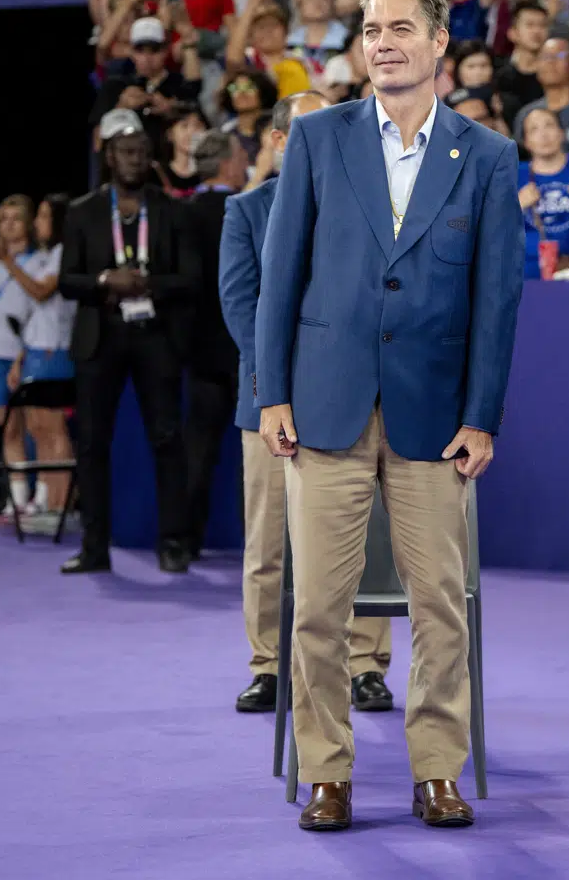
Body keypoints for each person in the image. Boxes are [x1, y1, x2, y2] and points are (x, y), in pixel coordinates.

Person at [254, 0, 524, 832]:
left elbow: (496, 301)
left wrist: (483, 414)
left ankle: (436, 768)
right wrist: (272, 393)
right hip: (325, 408)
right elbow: (279, 278)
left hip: (436, 421)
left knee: (441, 603)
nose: (382, 42)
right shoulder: (317, 138)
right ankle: (327, 769)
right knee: (319, 608)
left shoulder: (485, 155)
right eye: (370, 28)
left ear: (441, 43)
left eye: (401, 27)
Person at [219, 91, 394, 715]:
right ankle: (268, 664)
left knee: (366, 541)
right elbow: (244, 310)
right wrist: (290, 387)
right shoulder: (246, 211)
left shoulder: (368, 206)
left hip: (353, 402)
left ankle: (366, 665)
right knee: (269, 545)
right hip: (270, 405)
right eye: (306, 132)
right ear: (276, 142)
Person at [59, 108, 198, 575]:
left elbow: (191, 278)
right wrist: (105, 279)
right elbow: (67, 280)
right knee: (94, 444)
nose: (135, 159)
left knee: (167, 438)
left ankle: (174, 542)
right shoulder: (81, 213)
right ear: (109, 157)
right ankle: (94, 547)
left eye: (141, 151)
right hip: (99, 338)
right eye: (125, 152)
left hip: (155, 335)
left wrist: (147, 284)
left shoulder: (171, 210)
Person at [181, 130, 247, 556]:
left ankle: (185, 542)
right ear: (226, 164)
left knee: (198, 450)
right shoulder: (247, 209)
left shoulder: (181, 214)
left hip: (199, 349)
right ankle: (269, 548)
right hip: (245, 349)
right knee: (262, 456)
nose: (245, 163)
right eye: (242, 156)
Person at [6, 194, 78, 517]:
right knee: (37, 428)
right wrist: (21, 357)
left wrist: (8, 264)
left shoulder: (66, 253)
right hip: (36, 349)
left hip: (55, 349)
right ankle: (49, 502)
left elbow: (41, 291)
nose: (37, 223)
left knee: (53, 429)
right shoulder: (49, 255)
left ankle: (61, 505)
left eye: (45, 216)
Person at [0, 194, 41, 516]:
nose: (8, 225)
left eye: (15, 218)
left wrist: (9, 263)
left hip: (30, 351)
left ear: (29, 223)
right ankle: (17, 501)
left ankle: (42, 498)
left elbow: (38, 303)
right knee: (9, 429)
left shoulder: (40, 259)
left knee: (37, 427)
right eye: (3, 220)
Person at [517, 107, 569, 278]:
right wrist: (516, 206)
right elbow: (491, 228)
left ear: (562, 133)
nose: (544, 135)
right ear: (526, 142)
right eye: (534, 129)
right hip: (528, 272)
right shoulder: (513, 175)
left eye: (549, 126)